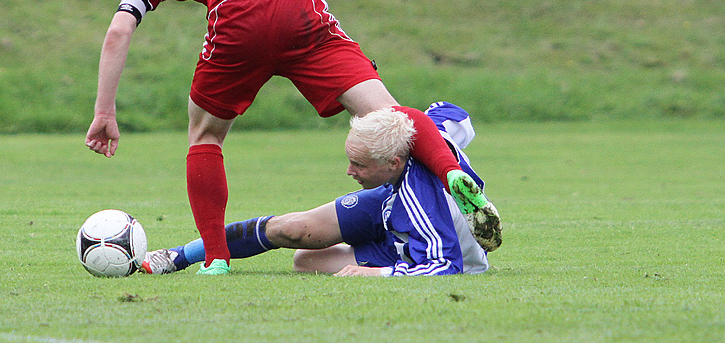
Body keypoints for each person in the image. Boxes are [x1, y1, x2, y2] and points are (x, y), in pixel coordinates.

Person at [85, 0, 494, 274]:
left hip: (238, 17)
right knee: (392, 118)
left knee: (205, 136)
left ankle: (215, 258)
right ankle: (452, 174)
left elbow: (119, 32)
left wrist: (105, 111)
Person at [141, 102, 501, 277]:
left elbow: (445, 265)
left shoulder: (423, 202)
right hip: (387, 199)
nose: (349, 171)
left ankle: (382, 252)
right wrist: (451, 166)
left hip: (419, 243)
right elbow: (454, 114)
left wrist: (378, 274)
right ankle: (179, 255)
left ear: (392, 161)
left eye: (359, 165)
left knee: (308, 261)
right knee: (291, 229)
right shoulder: (421, 136)